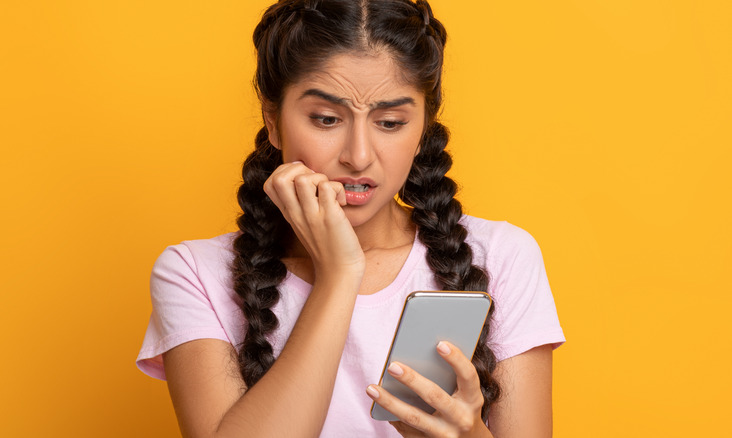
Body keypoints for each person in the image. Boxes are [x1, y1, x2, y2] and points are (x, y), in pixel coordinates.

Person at [136, 0, 565, 436]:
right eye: (326, 119)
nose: (358, 156)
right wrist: (339, 274)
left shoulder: (503, 257)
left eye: (391, 122)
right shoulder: (193, 273)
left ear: (423, 129)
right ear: (273, 120)